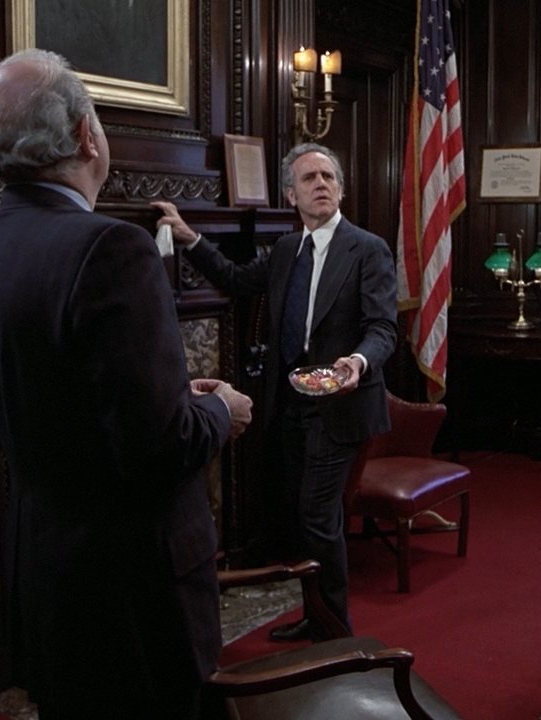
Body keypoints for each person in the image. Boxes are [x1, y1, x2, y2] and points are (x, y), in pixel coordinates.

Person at [0, 49, 252, 719]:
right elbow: (160, 448)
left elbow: (67, 408)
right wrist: (221, 412)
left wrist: (175, 400)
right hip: (132, 598)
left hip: (46, 575)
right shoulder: (110, 248)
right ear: (87, 135)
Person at [153, 142, 398, 641]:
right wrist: (189, 237)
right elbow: (237, 280)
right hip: (287, 404)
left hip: (341, 404)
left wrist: (357, 361)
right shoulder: (288, 250)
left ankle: (334, 630)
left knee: (317, 516)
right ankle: (315, 615)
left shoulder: (367, 249)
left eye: (329, 177)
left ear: (341, 189)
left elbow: (383, 328)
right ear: (291, 194)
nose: (321, 185)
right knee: (300, 516)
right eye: (310, 178)